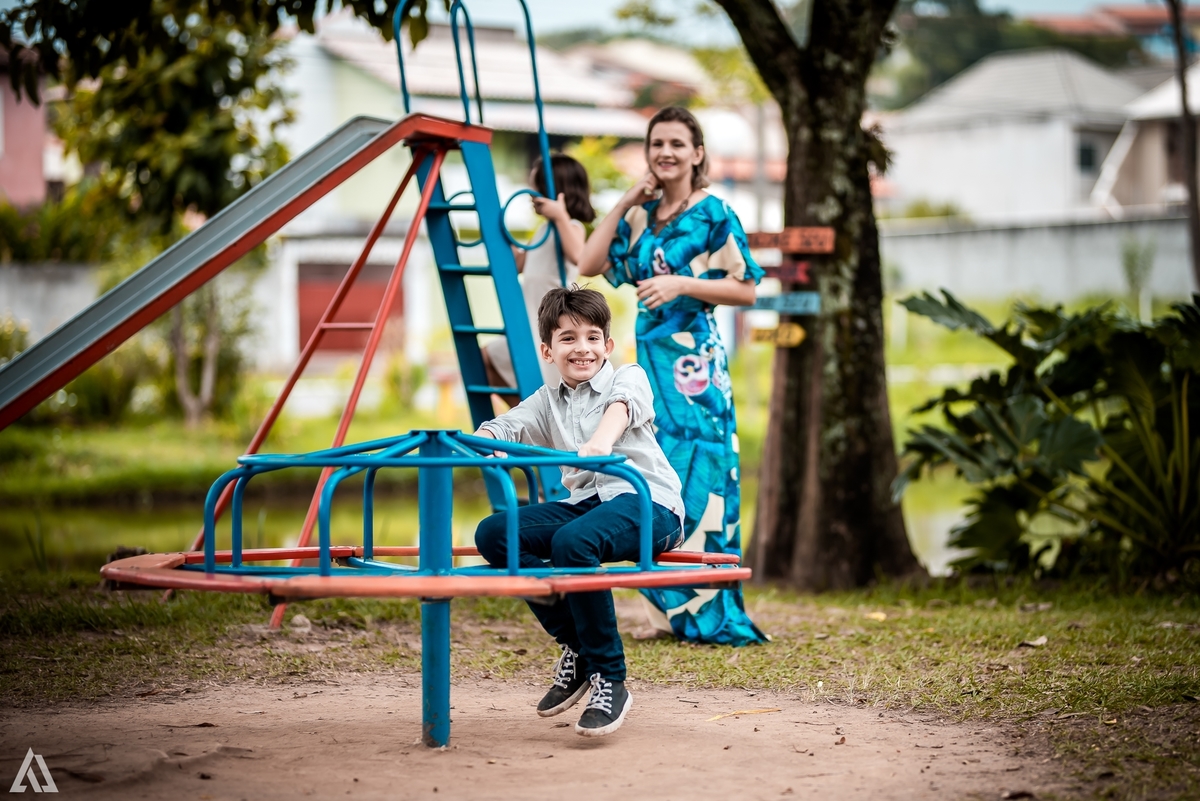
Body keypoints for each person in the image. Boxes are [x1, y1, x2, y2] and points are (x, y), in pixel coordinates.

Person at [577, 106, 767, 647]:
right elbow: (590, 262)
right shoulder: (640, 217)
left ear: (697, 153)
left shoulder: (714, 214)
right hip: (648, 371)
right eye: (657, 142)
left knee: (703, 480)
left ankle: (710, 609)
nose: (666, 152)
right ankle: (669, 612)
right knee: (656, 477)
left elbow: (747, 288)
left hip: (696, 372)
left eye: (677, 144)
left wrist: (684, 284)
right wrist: (624, 201)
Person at [473, 285, 684, 737]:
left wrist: (601, 443)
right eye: (568, 338)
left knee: (574, 543)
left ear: (606, 345)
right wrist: (486, 441)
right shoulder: (548, 400)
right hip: (588, 505)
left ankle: (610, 677)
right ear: (549, 350)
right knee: (494, 534)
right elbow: (509, 424)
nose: (582, 348)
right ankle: (579, 646)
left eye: (592, 337)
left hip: (650, 502)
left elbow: (622, 407)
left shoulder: (629, 376)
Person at [482, 154, 594, 405]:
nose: (532, 195)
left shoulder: (571, 226)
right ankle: (523, 416)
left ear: (557, 191)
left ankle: (529, 419)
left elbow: (579, 256)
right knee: (485, 359)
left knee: (549, 391)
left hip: (550, 324)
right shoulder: (542, 231)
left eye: (537, 188)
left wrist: (560, 216)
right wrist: (497, 232)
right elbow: (518, 265)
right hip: (531, 322)